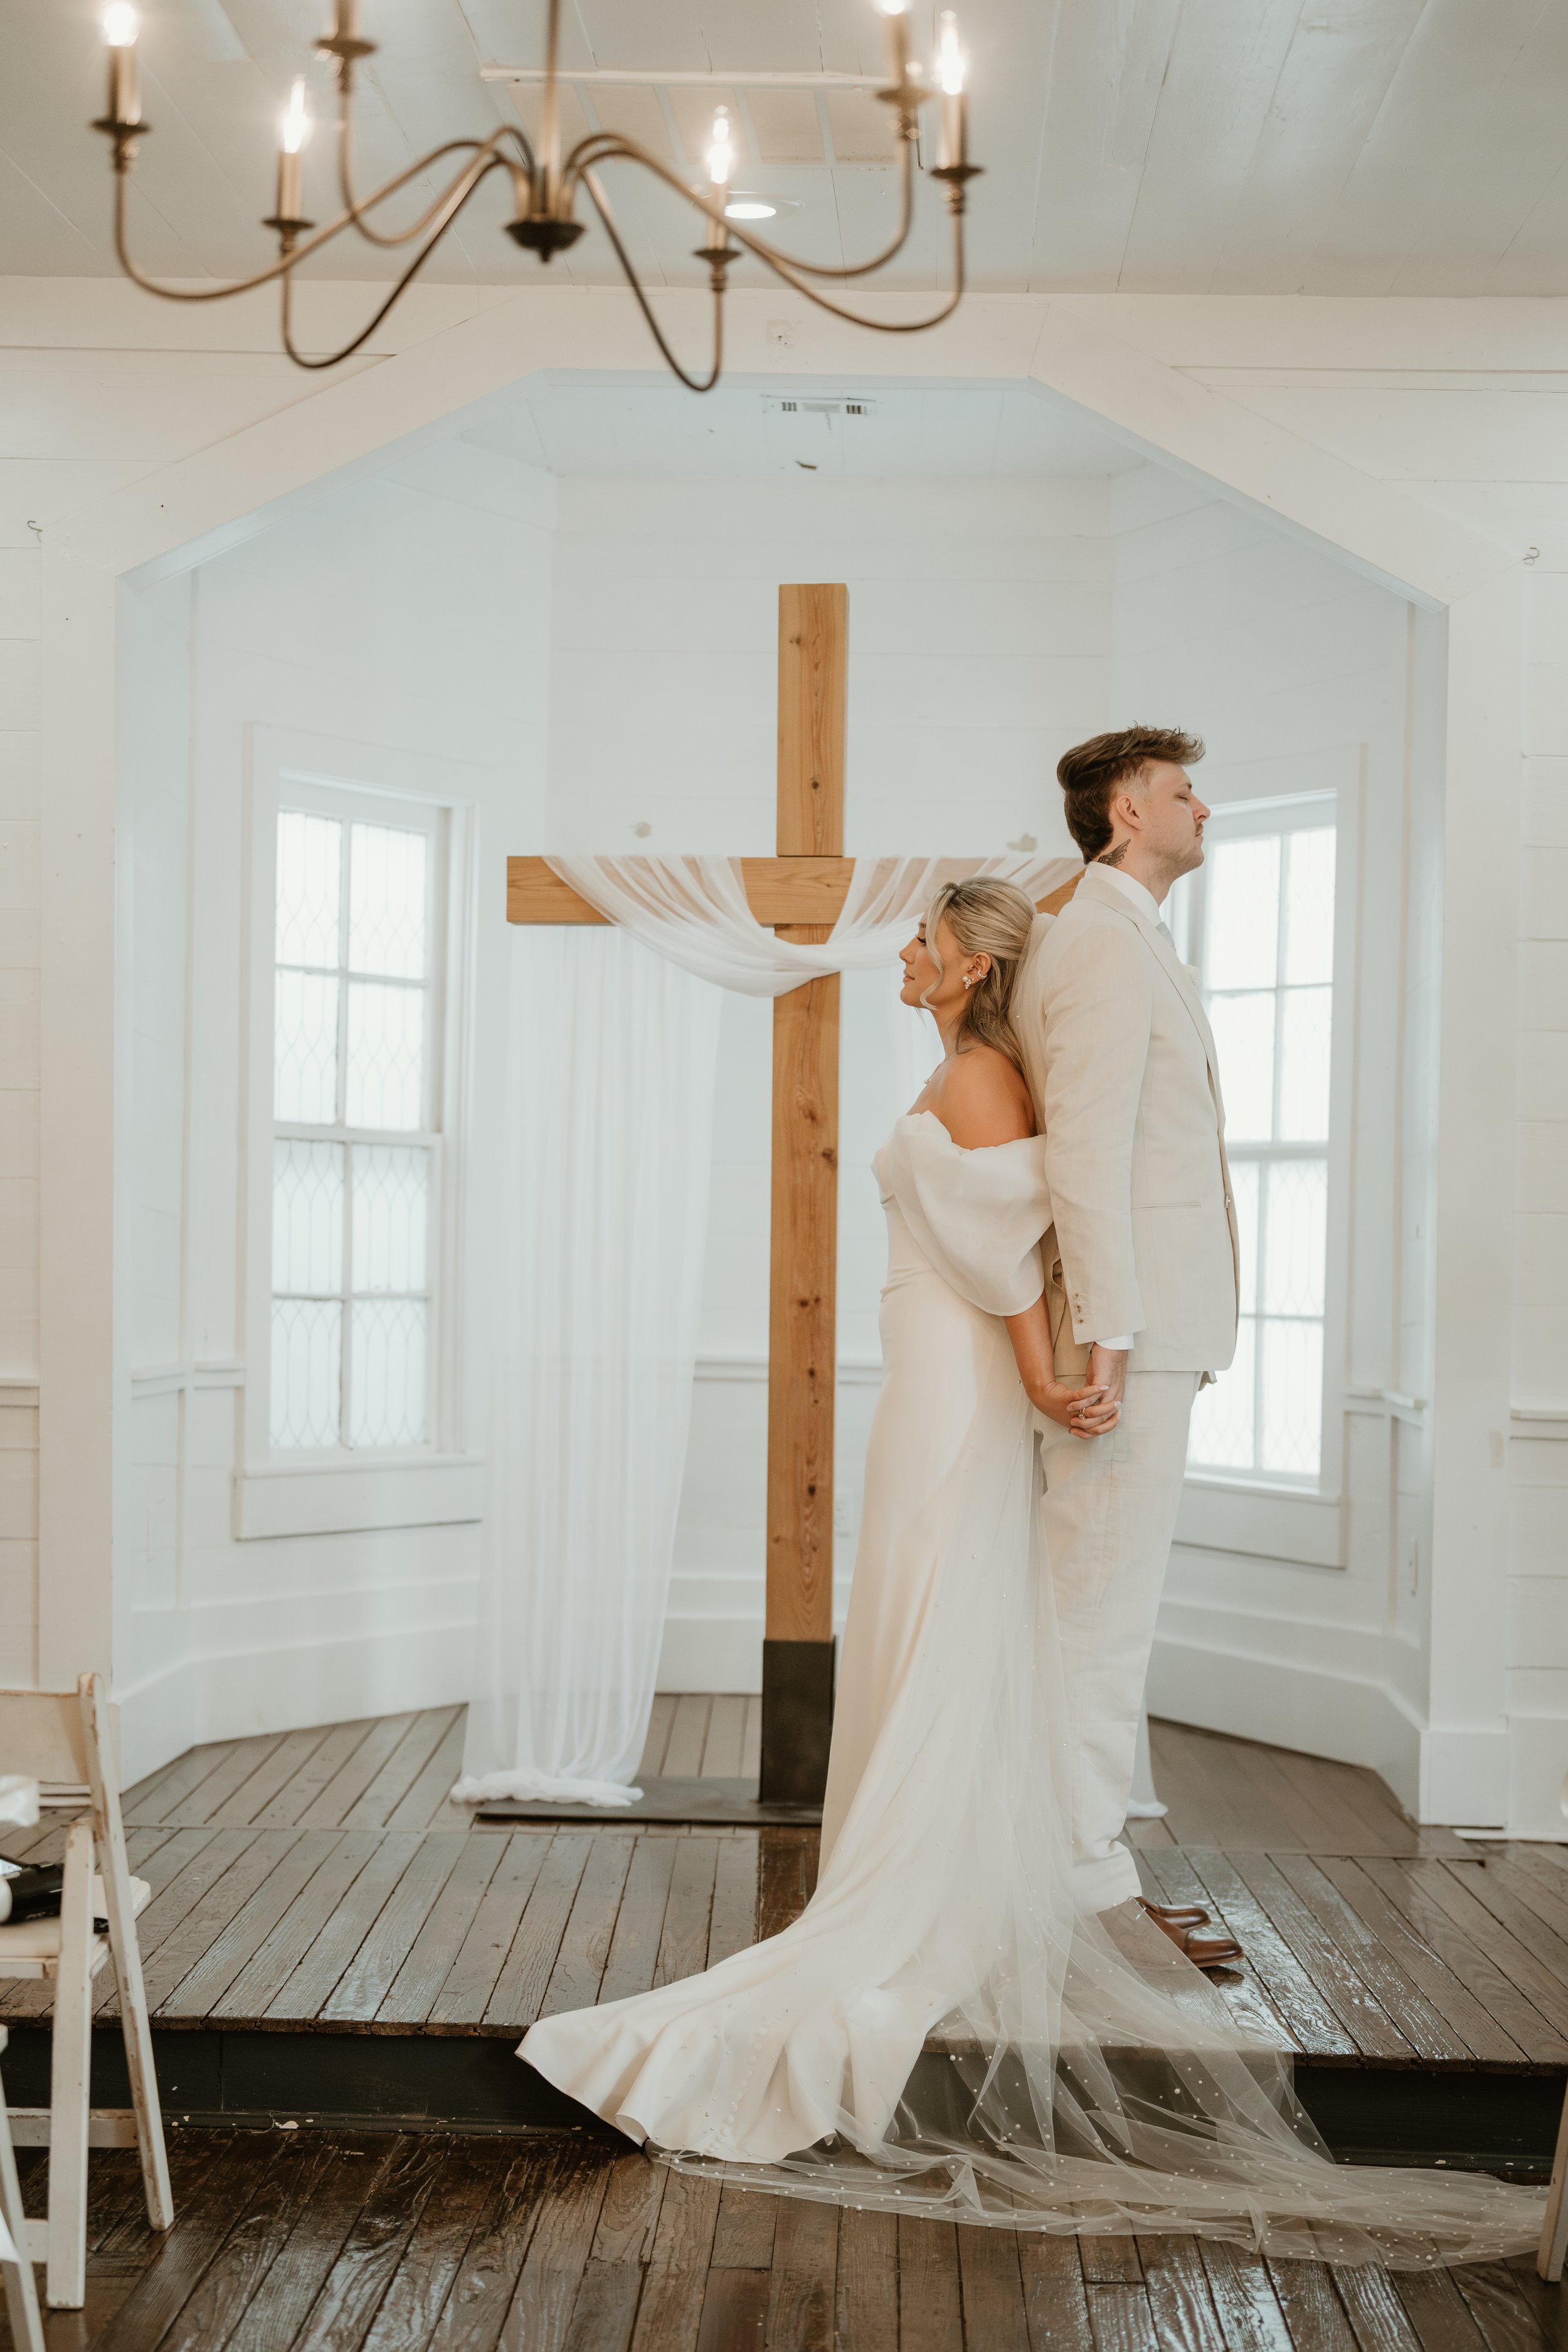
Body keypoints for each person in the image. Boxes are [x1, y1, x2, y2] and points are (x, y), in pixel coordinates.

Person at [518, 877, 1542, 2265]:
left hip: (961, 1373)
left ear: (968, 964)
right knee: (916, 1601)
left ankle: (918, 1888)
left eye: (922, 943)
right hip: (929, 1367)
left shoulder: (988, 1072)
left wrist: (1043, 1376)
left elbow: (1008, 1254)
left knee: (937, 1589)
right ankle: (908, 1860)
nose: (903, 954)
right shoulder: (960, 1066)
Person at [1013, 726, 1241, 1959]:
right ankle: (1086, 1891)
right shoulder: (1096, 944)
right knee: (1099, 1612)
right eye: (1178, 790)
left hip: (1151, 1332)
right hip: (1127, 1339)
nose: (1200, 805)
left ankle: (1087, 1868)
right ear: (1120, 815)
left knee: (1107, 1606)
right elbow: (1084, 1150)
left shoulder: (1132, 940)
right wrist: (1104, 1329)